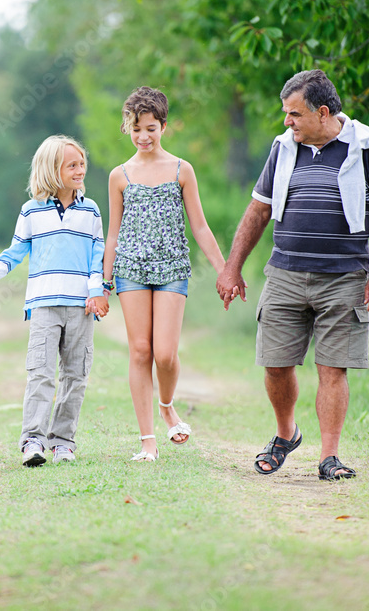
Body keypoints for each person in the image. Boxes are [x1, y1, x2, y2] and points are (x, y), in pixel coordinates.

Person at [216, 69, 369, 481]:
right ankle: (286, 435)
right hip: (285, 272)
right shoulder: (283, 149)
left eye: (294, 114)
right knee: (275, 364)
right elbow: (258, 210)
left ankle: (329, 456)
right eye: (286, 114)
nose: (287, 122)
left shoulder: (368, 150)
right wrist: (232, 267)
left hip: (344, 277)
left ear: (322, 111)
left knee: (333, 368)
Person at [104, 86, 228, 462]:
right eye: (136, 128)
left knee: (165, 355)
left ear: (163, 127)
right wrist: (103, 281)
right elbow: (113, 233)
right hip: (131, 270)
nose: (143, 136)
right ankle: (147, 441)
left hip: (173, 267)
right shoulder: (119, 175)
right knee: (140, 350)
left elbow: (201, 228)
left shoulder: (180, 169)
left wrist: (226, 272)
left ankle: (167, 405)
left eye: (151, 128)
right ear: (127, 127)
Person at [0, 135, 109, 467]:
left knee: (75, 375)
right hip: (44, 305)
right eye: (73, 165)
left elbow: (98, 255)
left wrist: (96, 290)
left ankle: (63, 441)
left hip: (80, 307)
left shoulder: (90, 211)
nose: (80, 170)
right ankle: (32, 440)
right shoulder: (31, 211)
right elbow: (15, 252)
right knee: (41, 373)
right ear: (52, 170)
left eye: (82, 164)